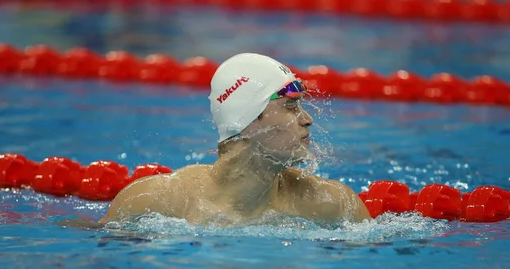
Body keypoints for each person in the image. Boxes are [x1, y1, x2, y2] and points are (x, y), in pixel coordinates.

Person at [98, 53, 371, 227]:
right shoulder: (157, 203)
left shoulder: (332, 204)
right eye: (291, 107)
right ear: (247, 121)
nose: (307, 119)